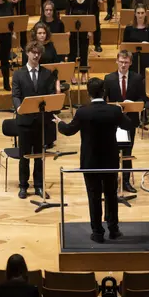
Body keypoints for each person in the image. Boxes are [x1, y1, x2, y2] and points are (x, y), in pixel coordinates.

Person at [55, 78, 131, 242]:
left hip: (90, 162)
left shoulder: (83, 112)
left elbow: (68, 131)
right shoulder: (114, 111)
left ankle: (97, 232)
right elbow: (129, 125)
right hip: (110, 161)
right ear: (104, 92)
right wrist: (124, 111)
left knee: (94, 195)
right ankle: (113, 229)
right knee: (111, 194)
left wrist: (60, 123)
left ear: (88, 93)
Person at [12, 41, 56, 199]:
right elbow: (16, 95)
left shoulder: (46, 73)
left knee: (39, 156)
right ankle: (23, 185)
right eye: (33, 52)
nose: (36, 55)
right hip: (24, 121)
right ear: (27, 53)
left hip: (40, 121)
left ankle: (38, 185)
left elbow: (50, 94)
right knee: (24, 156)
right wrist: (19, 108)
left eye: (38, 53)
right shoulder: (18, 74)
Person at [104, 50, 145, 194]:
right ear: (116, 61)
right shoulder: (108, 79)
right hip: (113, 122)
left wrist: (132, 104)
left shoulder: (137, 78)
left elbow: (142, 99)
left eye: (126, 62)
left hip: (130, 121)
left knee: (127, 151)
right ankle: (113, 181)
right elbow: (104, 101)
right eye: (121, 62)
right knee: (112, 152)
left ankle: (126, 181)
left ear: (130, 63)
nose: (123, 65)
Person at [68, 0, 97, 82]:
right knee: (72, 51)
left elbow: (90, 14)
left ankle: (84, 73)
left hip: (84, 27)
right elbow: (68, 13)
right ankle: (72, 73)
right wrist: (68, 30)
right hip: (73, 27)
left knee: (84, 51)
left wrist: (90, 30)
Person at [123, 4, 149, 76]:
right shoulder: (129, 28)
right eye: (138, 13)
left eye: (142, 13)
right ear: (135, 14)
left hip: (146, 57)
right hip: (132, 58)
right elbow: (125, 45)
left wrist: (147, 45)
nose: (140, 15)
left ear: (145, 14)